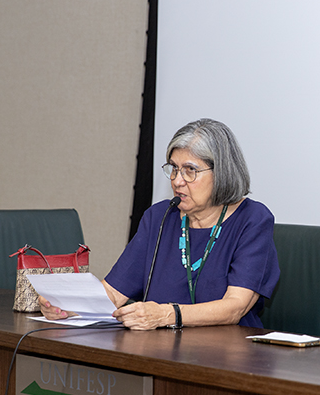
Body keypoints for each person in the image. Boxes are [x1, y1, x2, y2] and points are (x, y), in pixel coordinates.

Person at [41, 118, 280, 330]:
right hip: (159, 351)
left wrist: (167, 314)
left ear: (222, 173)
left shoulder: (252, 220)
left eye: (190, 171)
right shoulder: (160, 217)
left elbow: (234, 307)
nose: (177, 180)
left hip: (227, 356)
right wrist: (67, 307)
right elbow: (113, 293)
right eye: (174, 169)